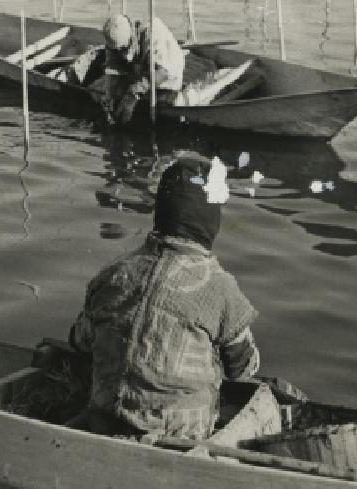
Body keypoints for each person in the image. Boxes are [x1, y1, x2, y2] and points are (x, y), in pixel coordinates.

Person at [68, 153, 260, 442]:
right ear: (211, 222)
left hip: (103, 422)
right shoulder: (221, 288)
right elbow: (243, 369)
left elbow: (78, 341)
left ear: (161, 212)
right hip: (179, 436)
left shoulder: (113, 275)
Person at [100, 14, 186, 124]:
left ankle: (181, 98)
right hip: (139, 71)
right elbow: (113, 69)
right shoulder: (112, 41)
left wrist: (133, 94)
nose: (123, 55)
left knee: (165, 102)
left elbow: (163, 72)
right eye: (118, 51)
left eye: (124, 48)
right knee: (110, 95)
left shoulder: (153, 33)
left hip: (165, 77)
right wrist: (109, 95)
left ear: (131, 35)